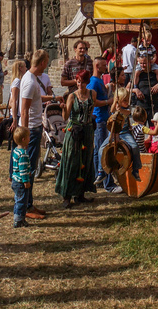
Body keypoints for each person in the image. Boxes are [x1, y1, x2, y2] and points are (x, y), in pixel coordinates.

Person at [55, 68, 96, 209]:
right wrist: (63, 108)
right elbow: (66, 117)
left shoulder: (93, 94)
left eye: (82, 82)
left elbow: (91, 111)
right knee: (71, 161)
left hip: (88, 131)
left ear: (87, 82)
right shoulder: (72, 96)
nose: (80, 85)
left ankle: (80, 194)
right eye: (78, 82)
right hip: (74, 132)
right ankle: (66, 195)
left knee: (86, 160)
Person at [18, 49, 49, 220]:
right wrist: (24, 134)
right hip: (31, 130)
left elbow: (35, 100)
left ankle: (29, 203)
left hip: (34, 128)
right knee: (27, 170)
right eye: (47, 61)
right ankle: (25, 208)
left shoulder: (31, 79)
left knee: (31, 168)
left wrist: (52, 97)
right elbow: (24, 110)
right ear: (42, 62)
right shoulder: (30, 81)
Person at [88, 58, 111, 193]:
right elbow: (92, 101)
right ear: (97, 66)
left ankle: (100, 175)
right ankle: (99, 175)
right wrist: (108, 101)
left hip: (104, 118)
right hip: (99, 119)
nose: (106, 67)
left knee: (102, 147)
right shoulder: (93, 82)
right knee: (100, 149)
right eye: (103, 65)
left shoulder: (101, 80)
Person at [10, 126, 32, 228]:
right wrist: (26, 181)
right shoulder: (23, 154)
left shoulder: (15, 150)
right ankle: (18, 220)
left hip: (15, 180)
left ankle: (18, 217)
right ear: (24, 139)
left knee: (18, 200)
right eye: (28, 137)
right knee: (22, 201)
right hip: (20, 182)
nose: (30, 139)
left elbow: (16, 167)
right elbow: (22, 169)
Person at [132, 54, 158, 121]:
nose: (142, 65)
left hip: (153, 105)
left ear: (150, 63)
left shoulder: (155, 72)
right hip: (141, 106)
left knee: (153, 128)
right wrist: (135, 90)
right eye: (141, 63)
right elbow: (126, 89)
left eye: (145, 63)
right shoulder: (138, 73)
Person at [8, 59, 26, 132]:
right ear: (20, 68)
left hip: (17, 114)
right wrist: (15, 119)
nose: (26, 68)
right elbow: (13, 101)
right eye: (25, 66)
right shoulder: (17, 82)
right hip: (16, 115)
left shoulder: (19, 81)